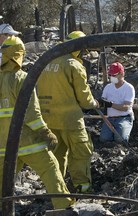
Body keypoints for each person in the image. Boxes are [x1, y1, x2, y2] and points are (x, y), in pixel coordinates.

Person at [0, 35, 74, 213]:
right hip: (29, 143)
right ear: (18, 55)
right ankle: (63, 206)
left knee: (4, 178)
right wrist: (46, 133)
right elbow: (31, 113)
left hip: (6, 145)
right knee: (51, 169)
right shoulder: (22, 79)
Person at [37, 31, 99, 193]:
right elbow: (85, 100)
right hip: (70, 120)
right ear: (79, 47)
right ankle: (82, 188)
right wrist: (95, 103)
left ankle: (56, 189)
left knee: (57, 155)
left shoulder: (47, 62)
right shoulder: (73, 65)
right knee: (81, 153)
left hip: (49, 119)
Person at [99, 62, 135, 143]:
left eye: (114, 75)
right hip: (110, 118)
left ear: (122, 74)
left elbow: (126, 107)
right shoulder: (108, 87)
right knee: (104, 139)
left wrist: (110, 104)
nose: (112, 77)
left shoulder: (128, 88)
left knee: (121, 140)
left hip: (124, 118)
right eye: (111, 75)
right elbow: (102, 101)